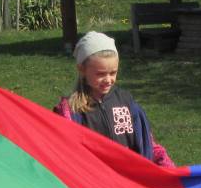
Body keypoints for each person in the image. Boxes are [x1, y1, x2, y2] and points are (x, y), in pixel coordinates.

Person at [53, 31, 175, 166]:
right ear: (82, 70)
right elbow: (63, 152)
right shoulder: (72, 112)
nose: (108, 79)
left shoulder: (127, 102)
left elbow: (148, 143)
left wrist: (168, 166)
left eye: (113, 73)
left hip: (128, 176)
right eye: (100, 74)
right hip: (96, 176)